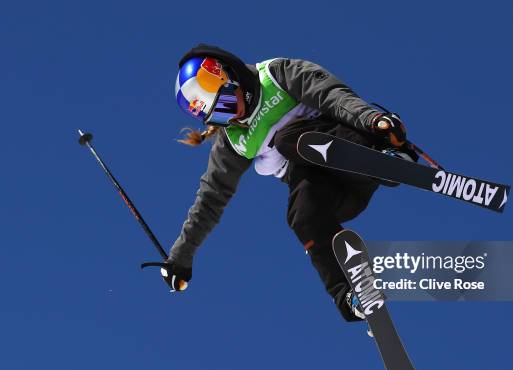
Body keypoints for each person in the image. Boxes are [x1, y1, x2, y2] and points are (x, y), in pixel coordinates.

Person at [161, 43, 416, 323]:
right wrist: (181, 257)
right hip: (335, 195)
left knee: (289, 140)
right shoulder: (234, 141)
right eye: (220, 116)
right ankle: (352, 296)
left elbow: (331, 95)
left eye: (227, 103)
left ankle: (385, 162)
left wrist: (374, 122)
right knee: (301, 217)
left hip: (352, 154)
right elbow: (211, 198)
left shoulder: (275, 75)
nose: (231, 115)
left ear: (232, 77)